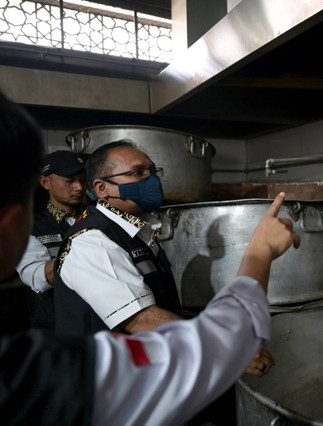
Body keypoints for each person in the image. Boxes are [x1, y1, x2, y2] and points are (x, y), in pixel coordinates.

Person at [0, 89, 300, 425]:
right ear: (102, 189)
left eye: (152, 171)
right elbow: (143, 320)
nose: (150, 180)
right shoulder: (91, 241)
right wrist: (260, 252)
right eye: (137, 173)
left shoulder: (139, 231)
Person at [15, 150, 87, 330]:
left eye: (82, 180)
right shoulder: (30, 226)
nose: (78, 187)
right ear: (45, 182)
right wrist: (85, 256)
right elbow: (37, 279)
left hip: (98, 326)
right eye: (69, 181)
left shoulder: (98, 217)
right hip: (57, 330)